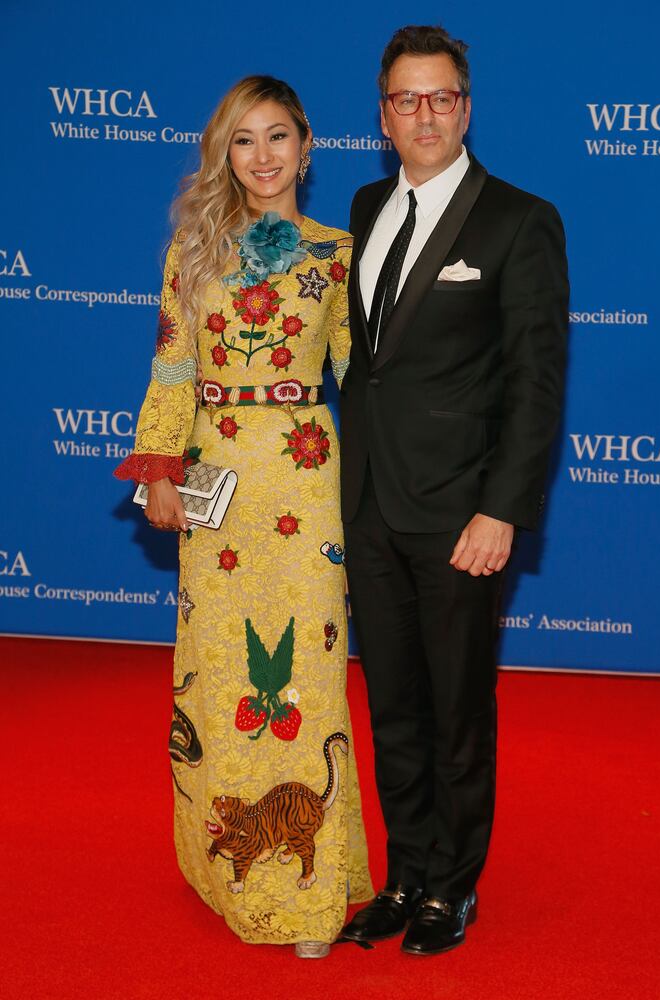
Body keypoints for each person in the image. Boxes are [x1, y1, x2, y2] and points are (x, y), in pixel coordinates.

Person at [115, 75, 372, 958]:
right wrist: (159, 468)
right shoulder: (193, 250)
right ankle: (222, 865)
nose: (262, 157)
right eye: (242, 140)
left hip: (304, 477)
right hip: (216, 475)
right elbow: (173, 368)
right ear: (223, 154)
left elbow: (360, 375)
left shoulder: (338, 253)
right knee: (221, 672)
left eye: (277, 137)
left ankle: (306, 897)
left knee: (306, 673)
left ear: (307, 145)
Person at [340, 26, 569, 955]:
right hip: (368, 505)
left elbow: (535, 382)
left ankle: (451, 887)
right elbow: (368, 367)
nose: (424, 115)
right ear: (383, 116)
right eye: (406, 99)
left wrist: (501, 508)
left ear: (465, 109)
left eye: (440, 98)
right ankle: (403, 874)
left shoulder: (519, 220)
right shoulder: (364, 206)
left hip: (461, 513)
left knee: (457, 712)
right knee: (392, 704)